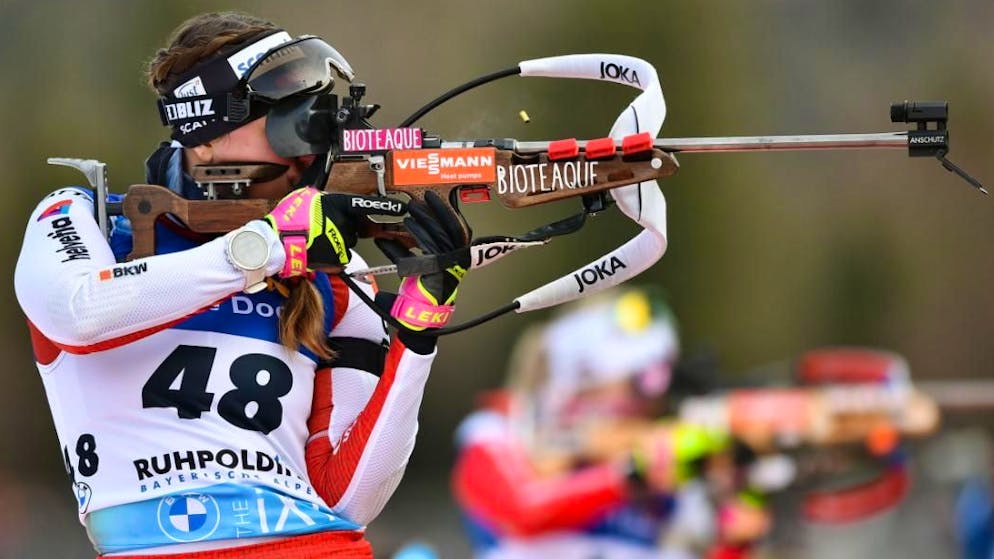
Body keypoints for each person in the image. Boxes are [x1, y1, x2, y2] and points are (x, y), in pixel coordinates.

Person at [15, 11, 468, 558]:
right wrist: (264, 248)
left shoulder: (331, 276)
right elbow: (78, 314)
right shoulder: (83, 219)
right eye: (282, 120)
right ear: (202, 136)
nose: (305, 145)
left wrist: (417, 336)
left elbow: (346, 500)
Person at [452, 287, 745, 559]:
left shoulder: (670, 470)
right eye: (637, 381)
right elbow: (527, 509)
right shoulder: (495, 433)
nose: (649, 400)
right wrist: (633, 471)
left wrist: (738, 529)